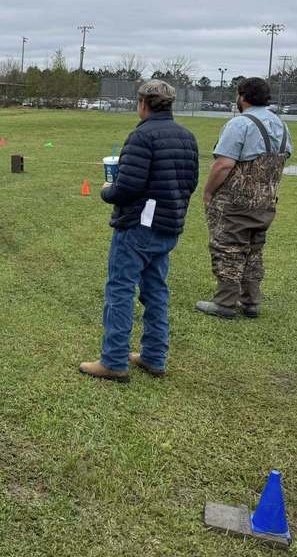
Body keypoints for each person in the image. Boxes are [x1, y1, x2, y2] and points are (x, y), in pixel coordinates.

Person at [79, 80, 199, 382]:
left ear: (143, 103)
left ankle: (113, 360)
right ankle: (154, 357)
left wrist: (108, 191)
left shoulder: (141, 136)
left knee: (120, 290)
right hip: (168, 226)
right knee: (156, 291)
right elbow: (190, 182)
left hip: (138, 228)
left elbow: (128, 187)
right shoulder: (187, 137)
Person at [196, 77, 292, 319]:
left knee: (228, 248)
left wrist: (208, 191)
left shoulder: (239, 124)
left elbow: (223, 165)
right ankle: (250, 302)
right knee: (254, 250)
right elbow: (282, 157)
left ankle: (225, 304)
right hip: (266, 202)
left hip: (235, 203)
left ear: (242, 96)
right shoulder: (281, 124)